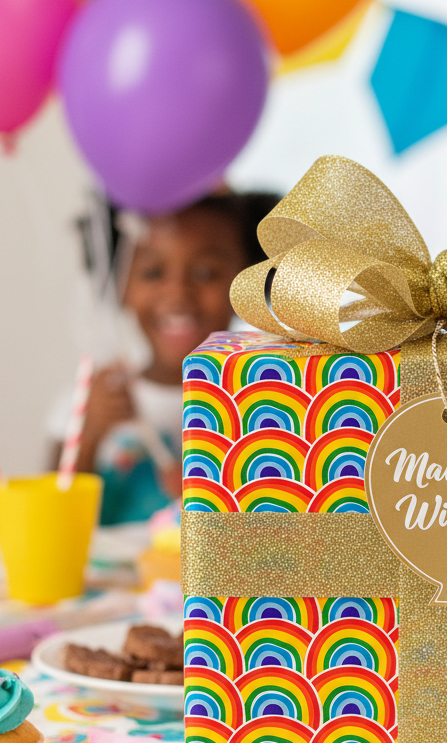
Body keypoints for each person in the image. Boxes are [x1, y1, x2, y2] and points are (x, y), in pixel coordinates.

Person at [49, 191, 279, 524]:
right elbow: (49, 519)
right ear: (118, 284)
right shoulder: (86, 400)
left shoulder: (265, 400)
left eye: (205, 273)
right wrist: (89, 434)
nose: (177, 293)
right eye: (153, 272)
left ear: (248, 282)